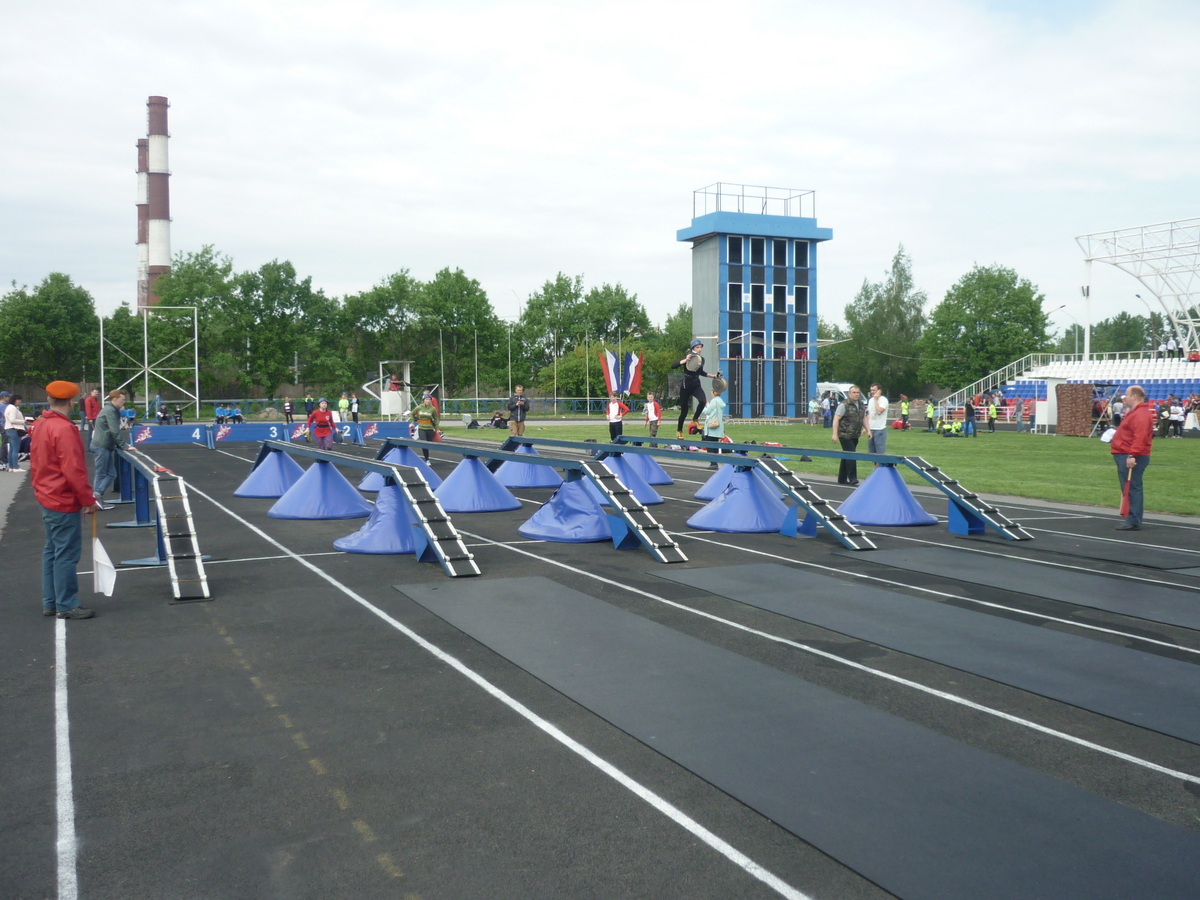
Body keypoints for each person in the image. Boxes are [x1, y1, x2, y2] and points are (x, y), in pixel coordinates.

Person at [32, 381, 98, 619]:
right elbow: (74, 470)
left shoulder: (41, 425)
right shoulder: (64, 429)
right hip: (61, 498)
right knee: (66, 554)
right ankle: (67, 604)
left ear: (49, 400)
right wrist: (88, 499)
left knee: (52, 550)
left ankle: (51, 601)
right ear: (71, 402)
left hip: (46, 495)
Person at [1110, 384, 1155, 531]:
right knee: (1132, 487)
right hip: (1127, 452)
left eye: (1127, 395)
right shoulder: (1136, 412)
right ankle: (1133, 518)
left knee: (1131, 487)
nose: (1125, 398)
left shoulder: (1140, 414)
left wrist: (1132, 455)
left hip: (1131, 455)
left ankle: (1133, 519)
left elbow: (1139, 437)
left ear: (1134, 396)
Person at [91, 389, 129, 510]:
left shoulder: (112, 410)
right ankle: (96, 498)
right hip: (101, 446)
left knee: (111, 474)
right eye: (122, 400)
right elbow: (114, 430)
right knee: (101, 473)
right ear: (114, 399)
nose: (124, 402)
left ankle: (98, 496)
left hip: (104, 445)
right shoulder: (110, 411)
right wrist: (124, 445)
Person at [672, 339, 710, 439]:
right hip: (686, 385)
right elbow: (673, 366)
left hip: (696, 384)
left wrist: (713, 376)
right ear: (693, 348)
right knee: (684, 411)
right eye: (697, 347)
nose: (699, 349)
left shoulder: (702, 359)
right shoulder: (689, 356)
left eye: (700, 347)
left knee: (702, 401)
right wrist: (685, 360)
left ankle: (695, 419)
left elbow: (701, 372)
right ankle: (679, 431)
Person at [831, 385, 866, 486]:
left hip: (855, 434)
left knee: (846, 455)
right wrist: (834, 434)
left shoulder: (861, 404)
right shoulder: (844, 405)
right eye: (854, 392)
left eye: (858, 392)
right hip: (845, 434)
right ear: (849, 393)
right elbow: (836, 419)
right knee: (851, 454)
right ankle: (853, 478)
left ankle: (842, 478)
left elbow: (863, 418)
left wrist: (868, 429)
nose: (856, 394)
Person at [698, 378, 727, 467]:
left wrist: (704, 406)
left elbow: (707, 412)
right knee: (715, 445)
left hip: (712, 427)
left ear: (714, 393)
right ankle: (715, 462)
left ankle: (713, 463)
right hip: (718, 427)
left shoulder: (714, 401)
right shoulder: (720, 401)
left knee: (710, 446)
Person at [412, 393, 439, 461]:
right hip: (421, 428)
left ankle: (427, 457)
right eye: (427, 399)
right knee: (424, 443)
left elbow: (436, 418)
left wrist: (437, 428)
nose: (428, 401)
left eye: (429, 399)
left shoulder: (432, 409)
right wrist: (412, 423)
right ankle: (427, 459)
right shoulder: (419, 407)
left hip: (429, 428)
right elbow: (412, 413)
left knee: (429, 443)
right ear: (423, 400)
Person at [866, 383, 889, 459]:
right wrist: (866, 428)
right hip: (871, 429)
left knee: (880, 454)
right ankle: (876, 469)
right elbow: (869, 414)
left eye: (874, 390)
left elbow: (879, 411)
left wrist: (876, 400)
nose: (872, 392)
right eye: (871, 390)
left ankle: (880, 470)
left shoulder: (883, 400)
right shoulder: (870, 400)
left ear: (879, 391)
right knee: (872, 454)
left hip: (879, 429)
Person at [4, 395, 27, 472]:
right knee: (15, 449)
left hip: (9, 429)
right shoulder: (13, 408)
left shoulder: (9, 407)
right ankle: (16, 467)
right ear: (14, 400)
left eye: (20, 400)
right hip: (14, 429)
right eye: (18, 400)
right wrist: (24, 422)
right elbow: (12, 420)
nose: (20, 401)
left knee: (11, 449)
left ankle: (11, 466)